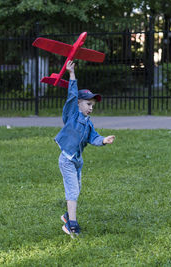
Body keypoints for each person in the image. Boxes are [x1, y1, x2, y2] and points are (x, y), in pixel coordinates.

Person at [55, 60, 115, 237]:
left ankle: (67, 215)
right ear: (79, 103)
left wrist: (104, 140)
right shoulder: (71, 115)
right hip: (66, 159)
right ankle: (71, 225)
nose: (91, 108)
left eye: (92, 106)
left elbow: (93, 137)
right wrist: (71, 74)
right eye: (88, 104)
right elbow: (72, 95)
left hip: (77, 160)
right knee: (72, 190)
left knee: (77, 189)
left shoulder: (88, 124)